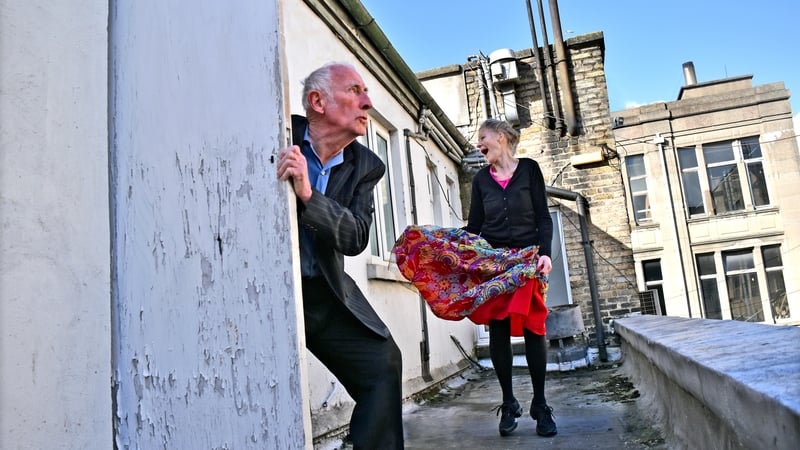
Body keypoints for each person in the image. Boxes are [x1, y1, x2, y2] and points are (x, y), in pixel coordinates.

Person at [276, 62, 404, 449]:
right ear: (318, 101)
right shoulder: (277, 130)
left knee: (383, 365)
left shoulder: (366, 166)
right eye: (355, 91)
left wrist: (310, 197)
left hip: (324, 295)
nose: (367, 102)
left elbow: (356, 236)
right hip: (274, 288)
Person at [464, 118, 557, 438]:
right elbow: (474, 225)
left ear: (501, 138)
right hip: (495, 265)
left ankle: (540, 405)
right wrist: (454, 252)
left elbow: (544, 217)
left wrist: (545, 252)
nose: (479, 144)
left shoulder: (529, 169)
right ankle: (508, 402)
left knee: (534, 328)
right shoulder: (480, 180)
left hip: (527, 262)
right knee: (499, 330)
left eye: (483, 138)